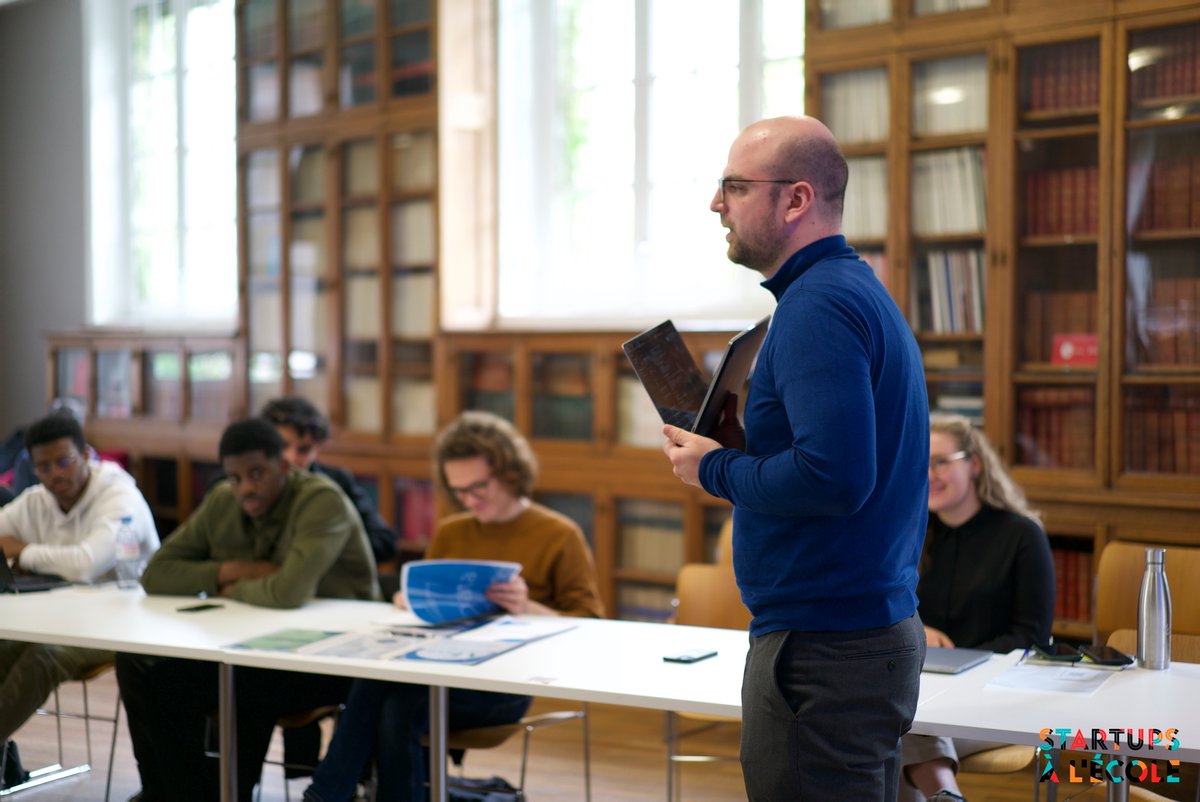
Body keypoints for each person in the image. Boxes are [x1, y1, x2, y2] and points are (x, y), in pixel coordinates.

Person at [661, 115, 930, 800]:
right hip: (851, 638)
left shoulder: (817, 307)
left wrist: (712, 467)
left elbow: (834, 479)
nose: (716, 204)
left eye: (734, 187)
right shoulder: (847, 290)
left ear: (796, 199)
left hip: (825, 650)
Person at [303, 410, 604, 802]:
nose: (468, 499)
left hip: (503, 685)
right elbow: (433, 611)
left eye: (478, 486)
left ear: (509, 472)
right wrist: (410, 603)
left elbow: (593, 626)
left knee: (398, 700)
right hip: (437, 667)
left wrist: (526, 606)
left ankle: (326, 793)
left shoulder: (559, 534)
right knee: (386, 686)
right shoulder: (452, 531)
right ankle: (332, 793)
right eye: (458, 490)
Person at [115, 418, 380, 802]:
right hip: (254, 643)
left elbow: (287, 591)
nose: (246, 488)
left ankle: (223, 793)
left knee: (244, 683)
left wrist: (222, 586)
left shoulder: (322, 500)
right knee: (162, 679)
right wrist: (233, 571)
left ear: (284, 467)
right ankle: (179, 794)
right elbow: (156, 574)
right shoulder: (224, 499)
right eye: (235, 477)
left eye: (257, 473)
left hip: (335, 657)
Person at [900, 413, 1054, 802]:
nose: (930, 473)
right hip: (926, 690)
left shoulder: (1022, 536)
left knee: (899, 727)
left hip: (996, 695)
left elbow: (1031, 639)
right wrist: (917, 630)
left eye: (941, 462)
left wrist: (964, 660)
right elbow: (891, 610)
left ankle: (944, 792)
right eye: (922, 462)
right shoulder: (910, 533)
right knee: (890, 720)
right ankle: (946, 795)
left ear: (975, 464)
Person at [0, 412, 158, 785]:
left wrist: (22, 551)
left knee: (43, 656)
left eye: (64, 461)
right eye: (44, 466)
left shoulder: (120, 497)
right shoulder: (37, 500)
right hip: (58, 617)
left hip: (124, 623)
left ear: (87, 455)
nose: (56, 474)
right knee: (3, 645)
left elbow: (86, 563)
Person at [259, 396, 397, 567]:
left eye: (304, 449)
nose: (291, 457)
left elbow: (384, 541)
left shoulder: (336, 481)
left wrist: (323, 549)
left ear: (317, 448)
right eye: (282, 446)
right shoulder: (242, 484)